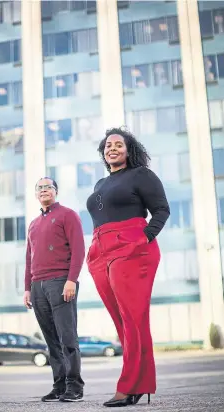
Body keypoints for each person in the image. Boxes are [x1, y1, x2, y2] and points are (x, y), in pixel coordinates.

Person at [86, 127, 170, 408]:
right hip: (100, 251)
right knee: (121, 321)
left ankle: (129, 386)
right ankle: (140, 382)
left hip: (131, 248)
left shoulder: (141, 175)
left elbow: (161, 210)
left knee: (133, 319)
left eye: (118, 144)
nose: (112, 148)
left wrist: (143, 238)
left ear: (128, 149)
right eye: (108, 145)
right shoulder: (100, 184)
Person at [23, 177, 85, 403]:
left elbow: (79, 249)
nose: (44, 190)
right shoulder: (33, 224)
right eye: (39, 188)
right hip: (38, 286)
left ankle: (74, 387)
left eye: (48, 187)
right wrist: (27, 288)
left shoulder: (68, 215)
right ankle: (59, 386)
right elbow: (29, 258)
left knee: (67, 337)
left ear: (56, 191)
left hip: (60, 281)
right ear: (36, 195)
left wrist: (72, 280)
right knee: (51, 341)